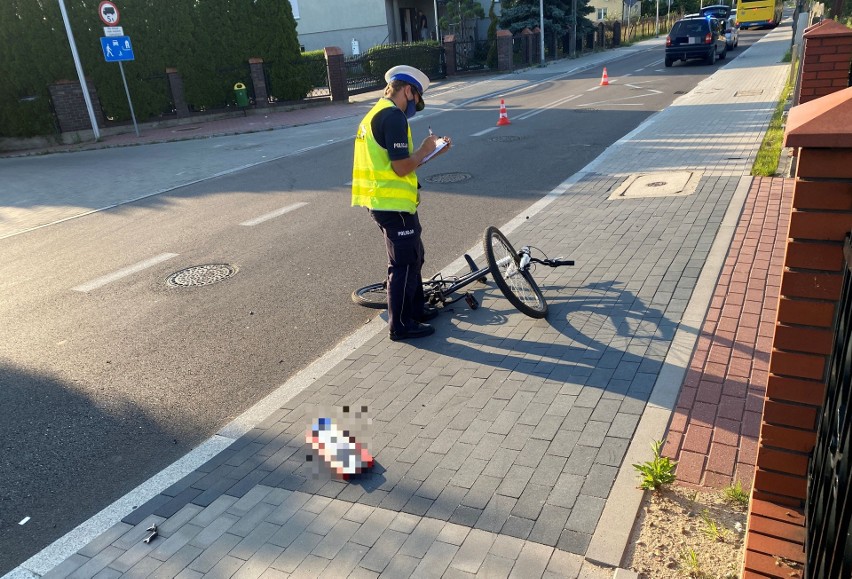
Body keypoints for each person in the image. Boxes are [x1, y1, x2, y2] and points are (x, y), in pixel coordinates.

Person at [351, 65, 451, 341]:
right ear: (407, 90)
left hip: (388, 201)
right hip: (391, 205)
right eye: (416, 99)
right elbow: (400, 167)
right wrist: (426, 148)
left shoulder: (376, 113)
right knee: (404, 264)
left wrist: (432, 154)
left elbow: (394, 165)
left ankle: (416, 309)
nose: (415, 106)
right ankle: (402, 325)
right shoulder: (392, 117)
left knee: (414, 257)